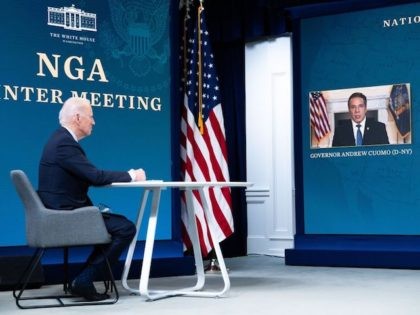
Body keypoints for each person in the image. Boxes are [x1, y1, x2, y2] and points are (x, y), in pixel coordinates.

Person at [37, 97, 146, 301]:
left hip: (60, 213)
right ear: (78, 118)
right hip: (65, 217)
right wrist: (132, 175)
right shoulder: (64, 144)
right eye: (91, 116)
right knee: (125, 228)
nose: (93, 121)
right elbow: (95, 176)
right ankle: (84, 280)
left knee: (116, 223)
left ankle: (84, 279)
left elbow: (89, 174)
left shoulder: (60, 139)